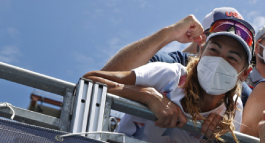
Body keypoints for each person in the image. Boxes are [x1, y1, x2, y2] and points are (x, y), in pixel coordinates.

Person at [83, 8, 254, 143]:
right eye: (214, 49)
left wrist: (222, 139)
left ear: (244, 74)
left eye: (232, 57)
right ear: (201, 51)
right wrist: (147, 96)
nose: (219, 61)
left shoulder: (234, 107)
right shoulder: (169, 74)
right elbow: (91, 79)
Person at [102, 8, 253, 111]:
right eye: (217, 34)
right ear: (201, 40)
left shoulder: (239, 93)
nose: (221, 60)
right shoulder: (171, 67)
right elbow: (105, 78)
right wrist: (169, 34)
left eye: (233, 54)